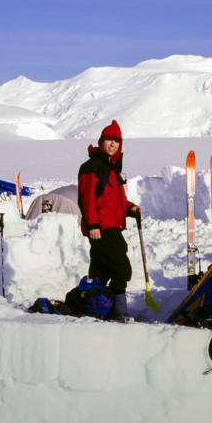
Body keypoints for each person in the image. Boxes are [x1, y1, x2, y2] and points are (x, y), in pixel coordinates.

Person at [77, 120, 140, 319]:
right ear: (101, 141)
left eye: (116, 141)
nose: (112, 144)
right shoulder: (92, 166)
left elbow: (112, 199)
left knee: (100, 271)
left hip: (111, 225)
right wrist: (93, 224)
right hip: (102, 228)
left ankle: (95, 307)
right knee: (122, 268)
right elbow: (86, 199)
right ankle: (118, 311)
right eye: (108, 140)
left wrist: (129, 207)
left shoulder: (111, 168)